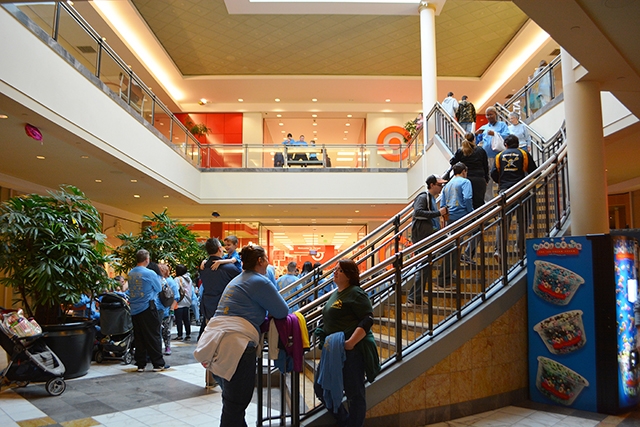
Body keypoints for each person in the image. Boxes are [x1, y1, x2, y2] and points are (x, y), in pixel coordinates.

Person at [204, 245, 288, 427]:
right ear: (260, 261)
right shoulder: (260, 281)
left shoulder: (238, 279)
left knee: (231, 402)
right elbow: (282, 311)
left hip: (216, 341)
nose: (268, 262)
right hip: (238, 344)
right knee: (236, 403)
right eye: (266, 258)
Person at [314, 259, 380, 427]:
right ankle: (344, 421)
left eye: (340, 270)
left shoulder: (356, 293)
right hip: (333, 349)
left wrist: (350, 343)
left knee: (354, 393)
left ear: (350, 275)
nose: (335, 272)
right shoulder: (336, 293)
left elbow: (367, 319)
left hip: (351, 351)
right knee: (320, 387)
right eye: (335, 269)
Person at [490, 134, 538, 261]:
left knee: (503, 222)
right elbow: (534, 171)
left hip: (505, 192)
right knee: (522, 221)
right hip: (521, 190)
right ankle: (519, 246)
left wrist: (501, 181)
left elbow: (493, 173)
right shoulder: (524, 154)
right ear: (518, 144)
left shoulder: (499, 156)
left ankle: (499, 250)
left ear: (505, 145)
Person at [406, 174, 447, 306]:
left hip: (430, 235)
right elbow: (418, 212)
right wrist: (438, 213)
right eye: (439, 185)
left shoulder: (432, 199)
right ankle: (415, 296)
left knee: (426, 266)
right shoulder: (424, 197)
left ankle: (416, 297)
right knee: (425, 265)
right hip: (423, 237)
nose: (441, 187)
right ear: (431, 185)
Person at [127, 249, 168, 372]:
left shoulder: (131, 273)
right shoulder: (150, 273)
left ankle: (140, 364)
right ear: (147, 260)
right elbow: (159, 288)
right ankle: (158, 363)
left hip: (134, 309)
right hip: (147, 307)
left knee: (139, 337)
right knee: (153, 335)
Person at [199, 237, 240, 337]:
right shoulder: (230, 268)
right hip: (225, 308)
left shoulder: (203, 267)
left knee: (210, 335)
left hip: (208, 306)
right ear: (219, 249)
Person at [440, 162, 476, 274]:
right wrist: (471, 212)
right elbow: (468, 198)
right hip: (462, 215)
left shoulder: (447, 185)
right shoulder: (465, 182)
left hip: (450, 217)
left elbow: (442, 204)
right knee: (478, 230)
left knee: (455, 243)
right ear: (464, 171)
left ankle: (450, 272)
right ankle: (467, 254)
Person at [475, 106, 510, 203]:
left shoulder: (502, 125)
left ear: (495, 114)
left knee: (500, 176)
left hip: (499, 156)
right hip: (486, 156)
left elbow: (507, 136)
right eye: (487, 115)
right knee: (488, 178)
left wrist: (494, 133)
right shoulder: (484, 127)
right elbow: (477, 141)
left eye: (491, 114)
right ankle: (489, 201)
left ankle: (502, 197)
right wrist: (477, 134)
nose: (489, 116)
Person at [450, 133, 489, 210]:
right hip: (479, 178)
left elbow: (452, 162)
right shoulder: (480, 150)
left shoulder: (461, 151)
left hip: (465, 178)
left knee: (467, 202)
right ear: (474, 139)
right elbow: (486, 166)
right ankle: (480, 217)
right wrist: (486, 179)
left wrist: (460, 169)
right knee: (479, 203)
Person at [158, 263, 179, 355]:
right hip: (159, 309)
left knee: (166, 330)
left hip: (166, 310)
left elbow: (176, 296)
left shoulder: (170, 281)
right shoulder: (158, 280)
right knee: (160, 330)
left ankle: (167, 346)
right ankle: (160, 348)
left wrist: (171, 309)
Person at [173, 264, 193, 341]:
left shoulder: (177, 279)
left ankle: (180, 335)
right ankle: (188, 334)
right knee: (186, 319)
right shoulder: (189, 279)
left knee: (179, 319)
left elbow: (176, 290)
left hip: (180, 301)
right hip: (187, 301)